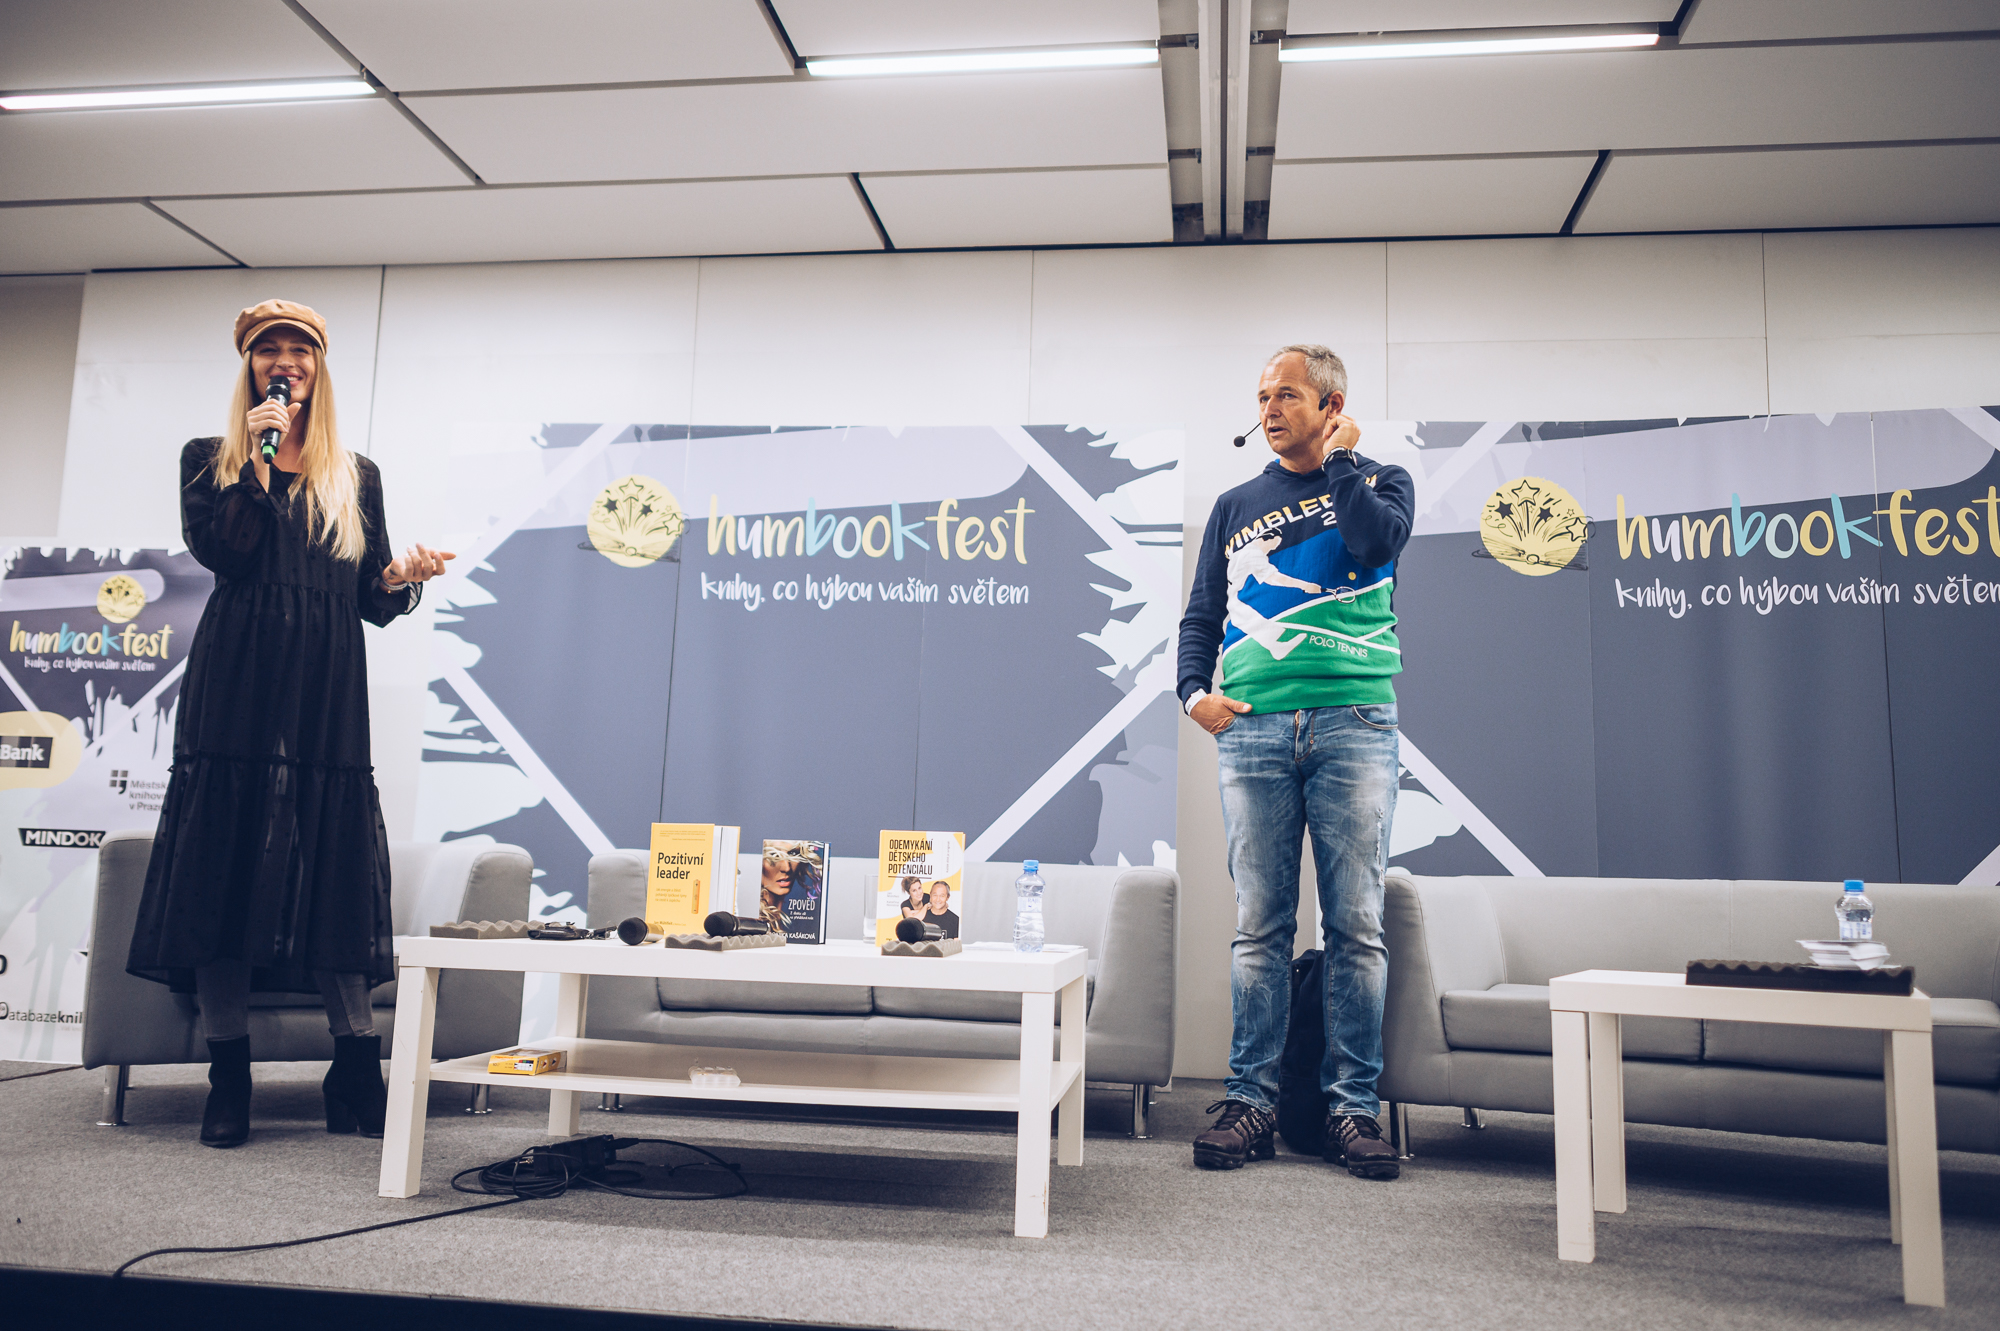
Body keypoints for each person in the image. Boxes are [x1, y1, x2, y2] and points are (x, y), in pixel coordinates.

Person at [125, 300, 453, 1149]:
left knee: (332, 867)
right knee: (224, 865)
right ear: (249, 366)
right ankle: (227, 1075)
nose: (285, 362)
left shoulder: (357, 474)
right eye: (268, 350)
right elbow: (228, 552)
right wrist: (258, 464)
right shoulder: (212, 459)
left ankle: (356, 1066)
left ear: (318, 366)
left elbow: (369, 597)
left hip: (326, 681)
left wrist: (403, 577)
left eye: (298, 350)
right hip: (236, 676)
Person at [1177, 344, 1415, 1180]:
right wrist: (1192, 694)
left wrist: (1342, 461)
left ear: (1331, 404)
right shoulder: (1235, 504)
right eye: (1261, 397)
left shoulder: (1381, 483)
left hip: (1355, 723)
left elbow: (1373, 543)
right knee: (1260, 926)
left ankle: (1352, 1109)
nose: (1269, 410)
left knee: (1355, 925)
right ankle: (1251, 1103)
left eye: (1285, 395)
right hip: (1253, 729)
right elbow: (1203, 612)